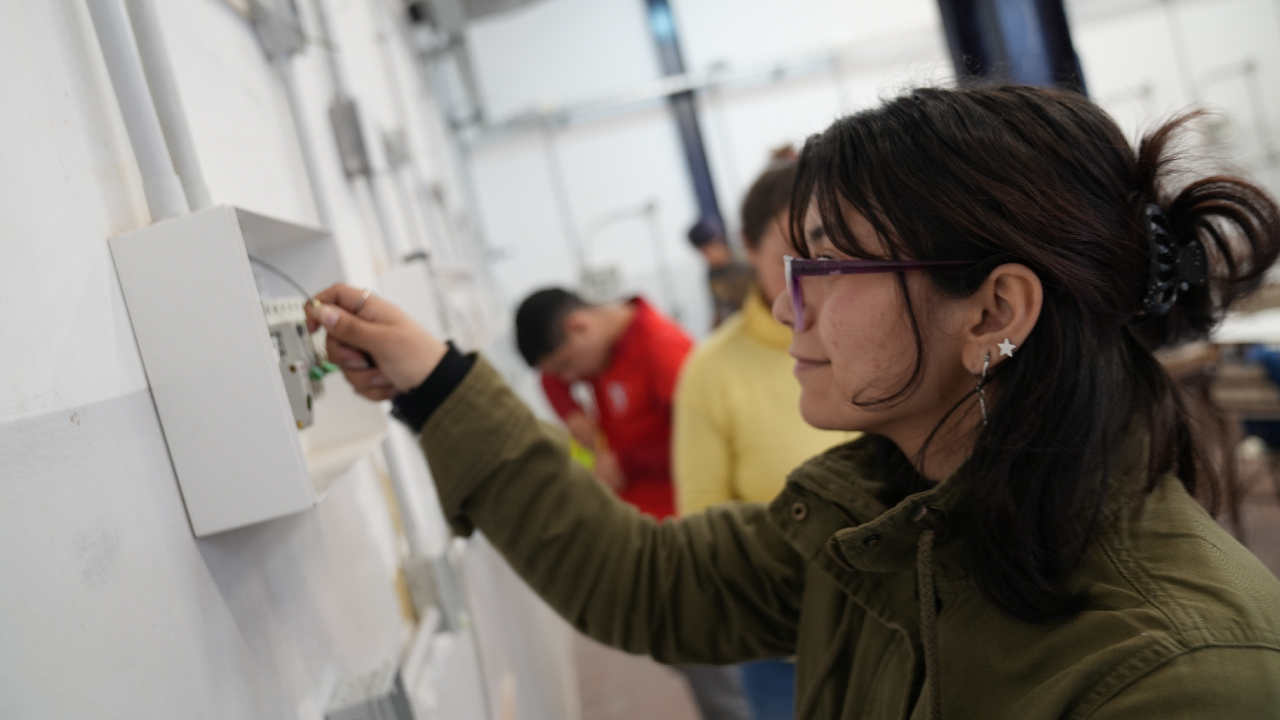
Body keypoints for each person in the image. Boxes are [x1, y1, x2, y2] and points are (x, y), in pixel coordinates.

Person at [310, 84, 1280, 719]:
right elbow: (644, 580)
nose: (785, 306)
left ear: (992, 310)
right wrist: (435, 379)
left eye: (827, 266)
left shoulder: (1181, 675)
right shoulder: (889, 526)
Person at [512, 288, 751, 720]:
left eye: (567, 365)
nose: (568, 377)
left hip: (686, 546)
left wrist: (626, 462)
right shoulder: (600, 351)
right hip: (648, 542)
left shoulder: (663, 351)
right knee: (686, 660)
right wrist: (573, 415)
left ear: (579, 327)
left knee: (720, 680)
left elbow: (711, 441)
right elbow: (549, 378)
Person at [674, 148, 852, 720]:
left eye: (827, 256)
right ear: (747, 249)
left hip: (905, 617)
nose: (811, 276)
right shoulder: (712, 370)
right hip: (786, 640)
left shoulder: (880, 337)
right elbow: (704, 522)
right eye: (789, 257)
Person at [688, 217, 756, 327]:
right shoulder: (713, 275)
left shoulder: (747, 260)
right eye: (702, 253)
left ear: (717, 242)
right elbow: (719, 310)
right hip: (741, 325)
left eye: (707, 250)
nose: (707, 257)